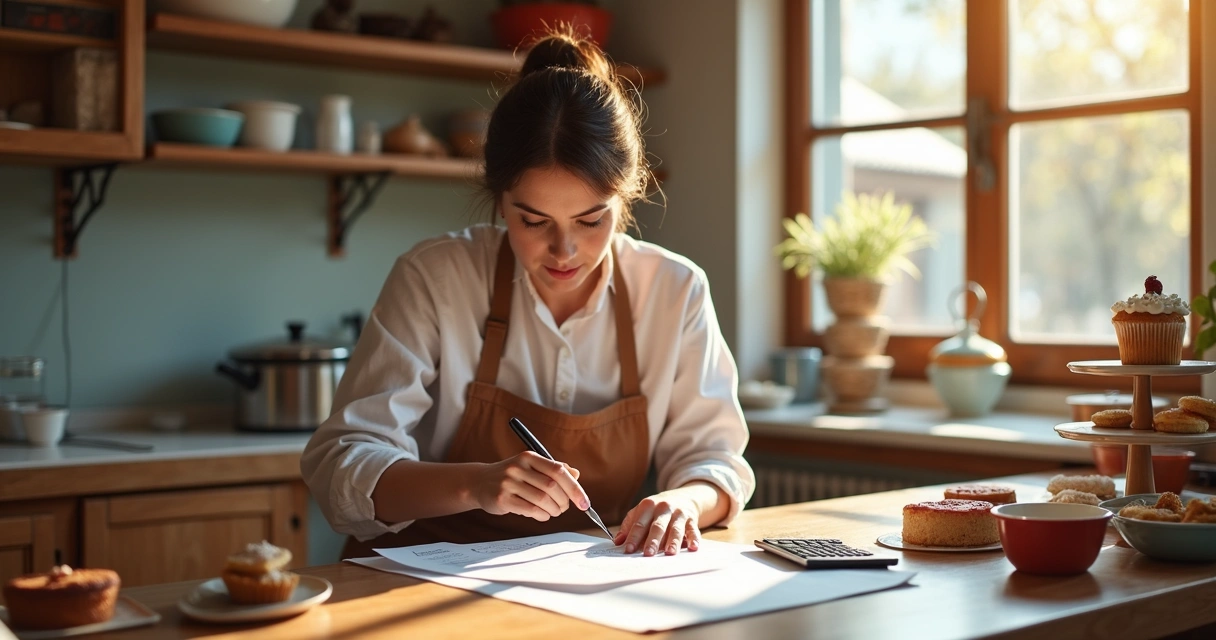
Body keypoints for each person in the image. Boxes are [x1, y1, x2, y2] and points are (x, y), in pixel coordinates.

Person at [301, 29, 755, 560]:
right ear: (499, 203)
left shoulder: (674, 290)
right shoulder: (436, 278)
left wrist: (683, 502)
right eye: (533, 220)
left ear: (626, 197)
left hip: (583, 583)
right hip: (416, 580)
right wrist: (474, 484)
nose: (563, 250)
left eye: (590, 220)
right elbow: (343, 462)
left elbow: (715, 460)